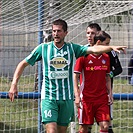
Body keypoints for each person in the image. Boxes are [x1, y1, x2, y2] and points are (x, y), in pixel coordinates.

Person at [8, 19, 126, 133]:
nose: (56, 34)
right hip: (49, 98)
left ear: (65, 33)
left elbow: (94, 49)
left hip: (66, 99)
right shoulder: (43, 48)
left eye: (59, 31)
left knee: (61, 130)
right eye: (54, 31)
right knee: (52, 130)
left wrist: (111, 48)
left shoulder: (72, 48)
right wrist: (14, 84)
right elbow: (22, 64)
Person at [74, 31, 113, 133]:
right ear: (99, 42)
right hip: (86, 99)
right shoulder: (83, 56)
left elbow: (107, 78)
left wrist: (110, 93)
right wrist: (77, 95)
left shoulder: (106, 57)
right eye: (107, 44)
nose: (108, 47)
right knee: (84, 128)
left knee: (105, 126)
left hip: (102, 99)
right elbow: (75, 76)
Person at [101, 31, 123, 133]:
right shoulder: (88, 52)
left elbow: (119, 69)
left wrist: (109, 74)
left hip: (106, 91)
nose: (109, 46)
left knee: (107, 123)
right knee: (87, 124)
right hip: (90, 92)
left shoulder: (111, 52)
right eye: (106, 43)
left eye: (109, 43)